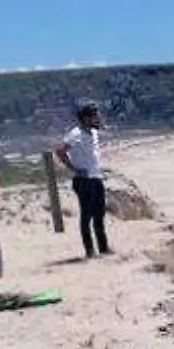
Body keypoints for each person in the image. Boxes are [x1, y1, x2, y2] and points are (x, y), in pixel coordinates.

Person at [54, 101, 110, 259]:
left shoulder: (93, 133)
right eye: (94, 115)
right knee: (87, 215)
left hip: (96, 177)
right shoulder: (75, 134)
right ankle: (89, 250)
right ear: (86, 118)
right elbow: (59, 150)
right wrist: (74, 168)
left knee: (99, 214)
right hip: (83, 180)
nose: (98, 118)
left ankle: (103, 248)